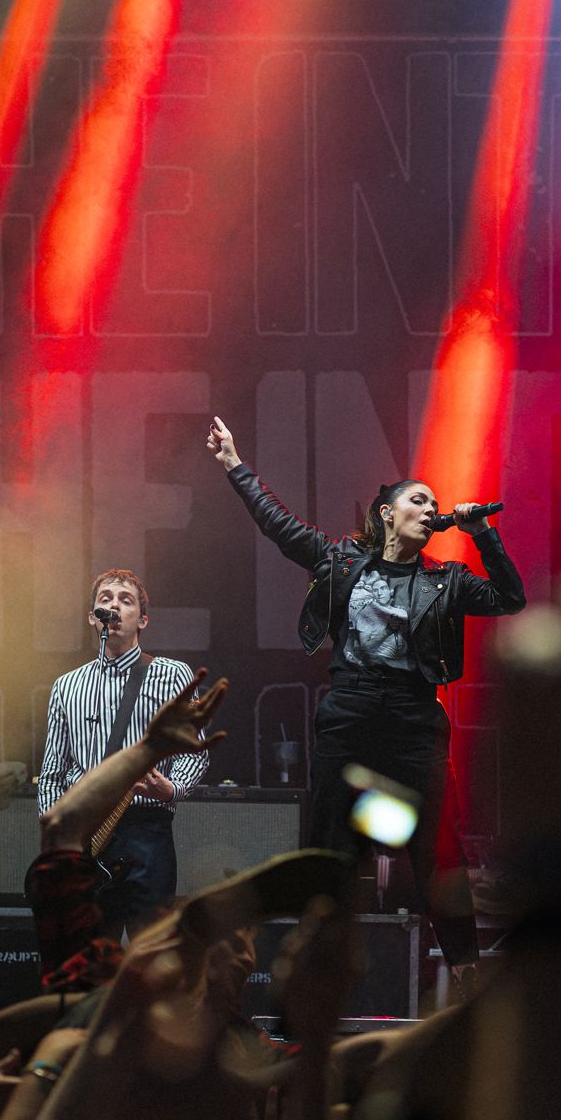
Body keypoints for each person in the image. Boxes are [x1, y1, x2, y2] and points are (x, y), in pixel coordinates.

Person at [205, 415, 526, 979]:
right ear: (387, 513)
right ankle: (311, 983)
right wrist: (235, 465)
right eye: (418, 501)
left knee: (438, 849)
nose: (431, 510)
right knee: (331, 852)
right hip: (350, 710)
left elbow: (509, 597)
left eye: (435, 506)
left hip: (412, 715)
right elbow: (279, 526)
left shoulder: (445, 579)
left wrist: (481, 533)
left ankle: (469, 977)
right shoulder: (340, 562)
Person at [37, 568, 209, 938]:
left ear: (142, 620)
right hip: (85, 838)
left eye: (125, 600)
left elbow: (195, 751)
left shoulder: (172, 675)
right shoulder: (66, 687)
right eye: (106, 599)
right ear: (92, 616)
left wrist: (172, 788)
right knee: (92, 960)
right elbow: (52, 773)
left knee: (151, 957)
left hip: (146, 833)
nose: (114, 605)